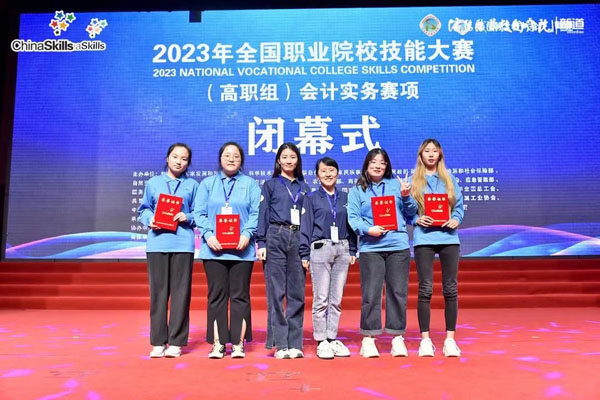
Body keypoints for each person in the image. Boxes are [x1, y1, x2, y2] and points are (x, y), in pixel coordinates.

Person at [347, 147, 418, 358]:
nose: (378, 166)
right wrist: (368, 229)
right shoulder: (357, 190)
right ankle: (369, 338)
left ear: (387, 166)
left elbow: (411, 213)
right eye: (374, 162)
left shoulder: (397, 185)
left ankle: (397, 337)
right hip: (371, 247)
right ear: (366, 165)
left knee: (398, 292)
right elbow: (353, 218)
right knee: (371, 294)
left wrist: (406, 196)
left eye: (382, 162)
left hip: (397, 246)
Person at [194, 142, 261, 359]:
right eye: (227, 155)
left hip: (242, 249)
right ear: (220, 158)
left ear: (242, 160)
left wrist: (247, 233)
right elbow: (199, 213)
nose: (231, 159)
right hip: (214, 249)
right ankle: (218, 343)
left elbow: (256, 212)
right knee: (216, 296)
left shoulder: (250, 184)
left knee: (240, 296)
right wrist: (208, 235)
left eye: (236, 156)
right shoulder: (207, 184)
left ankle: (238, 343)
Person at [138, 143, 198, 358]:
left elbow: (199, 213)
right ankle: (158, 342)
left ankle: (176, 342)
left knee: (181, 294)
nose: (179, 162)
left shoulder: (193, 185)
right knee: (158, 294)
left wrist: (187, 217)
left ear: (188, 163)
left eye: (184, 159)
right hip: (157, 243)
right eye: (175, 157)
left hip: (183, 244)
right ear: (167, 158)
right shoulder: (153, 183)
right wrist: (150, 219)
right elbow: (144, 209)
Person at [409, 138, 464, 357]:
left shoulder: (449, 179)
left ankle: (450, 340)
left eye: (434, 151)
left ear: (440, 154)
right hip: (424, 239)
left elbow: (459, 207)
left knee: (450, 289)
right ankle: (425, 340)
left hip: (449, 238)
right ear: (420, 155)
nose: (431, 154)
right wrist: (415, 219)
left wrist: (456, 219)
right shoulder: (413, 181)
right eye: (427, 151)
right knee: (425, 289)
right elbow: (406, 210)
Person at [300, 157, 357, 359]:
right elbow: (305, 225)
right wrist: (304, 253)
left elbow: (351, 224)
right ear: (317, 175)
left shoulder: (345, 197)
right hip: (320, 248)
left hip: (342, 247)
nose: (328, 174)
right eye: (323, 171)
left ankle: (332, 338)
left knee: (336, 299)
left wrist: (353, 249)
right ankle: (321, 340)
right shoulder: (311, 198)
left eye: (331, 170)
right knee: (321, 298)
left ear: (338, 173)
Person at [256, 143, 310, 359]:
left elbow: (309, 219)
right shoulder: (270, 185)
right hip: (275, 235)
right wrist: (261, 243)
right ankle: (280, 344)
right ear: (278, 160)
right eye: (284, 157)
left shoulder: (304, 187)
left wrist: (307, 247)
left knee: (297, 293)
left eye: (292, 157)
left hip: (298, 237)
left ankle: (295, 343)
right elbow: (263, 214)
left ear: (298, 160)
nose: (289, 160)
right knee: (276, 293)